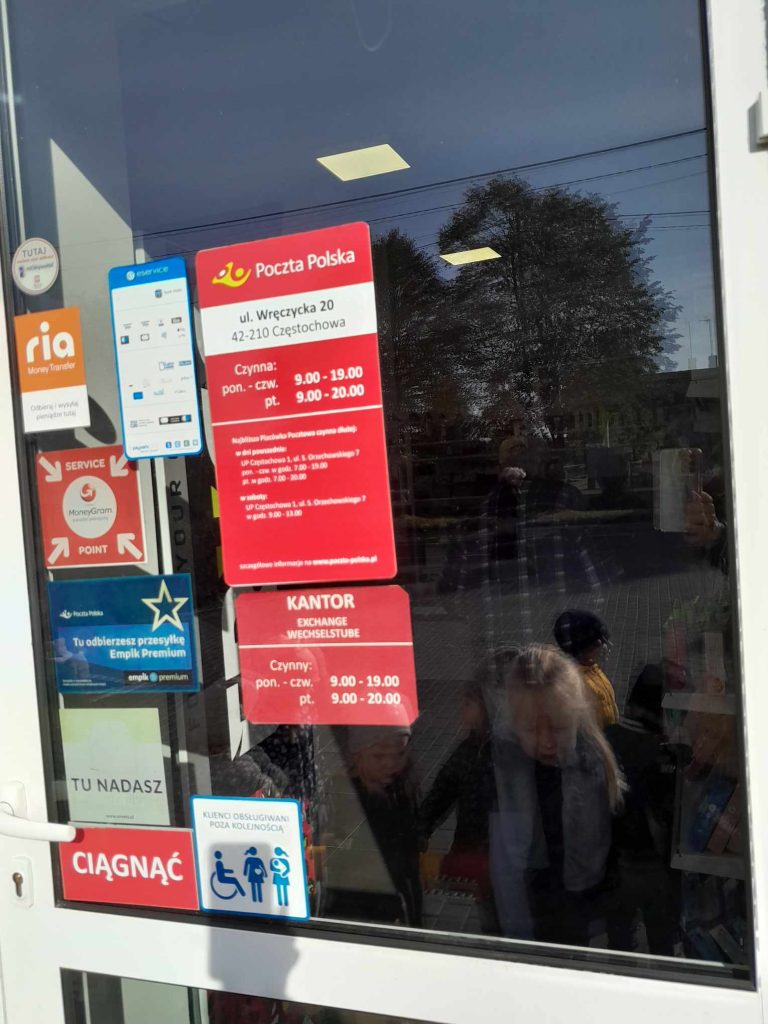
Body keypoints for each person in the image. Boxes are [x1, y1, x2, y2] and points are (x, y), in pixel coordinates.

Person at [489, 644, 623, 945]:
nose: (547, 742)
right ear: (513, 725)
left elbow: (613, 845)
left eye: (560, 728)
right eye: (532, 730)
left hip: (579, 902)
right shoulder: (504, 771)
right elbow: (496, 850)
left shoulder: (592, 766)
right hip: (527, 902)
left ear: (576, 717)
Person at [420, 661, 509, 934]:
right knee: (491, 918)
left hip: (499, 857)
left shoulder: (506, 752)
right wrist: (420, 829)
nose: (461, 709)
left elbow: (440, 794)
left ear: (488, 707)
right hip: (475, 854)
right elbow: (441, 792)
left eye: (468, 703)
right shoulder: (469, 750)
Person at [604, 673, 683, 954]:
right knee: (661, 939)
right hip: (652, 865)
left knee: (619, 937)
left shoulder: (607, 737)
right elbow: (669, 808)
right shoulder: (660, 752)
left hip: (615, 861)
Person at [323, 724, 422, 926]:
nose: (391, 763)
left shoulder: (401, 787)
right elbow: (335, 857)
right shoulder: (343, 796)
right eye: (378, 756)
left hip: (397, 897)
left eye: (400, 753)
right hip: (359, 907)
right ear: (356, 755)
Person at [553, 609, 619, 728]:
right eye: (598, 643)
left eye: (605, 640)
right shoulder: (577, 684)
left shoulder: (592, 668)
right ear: (582, 650)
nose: (606, 646)